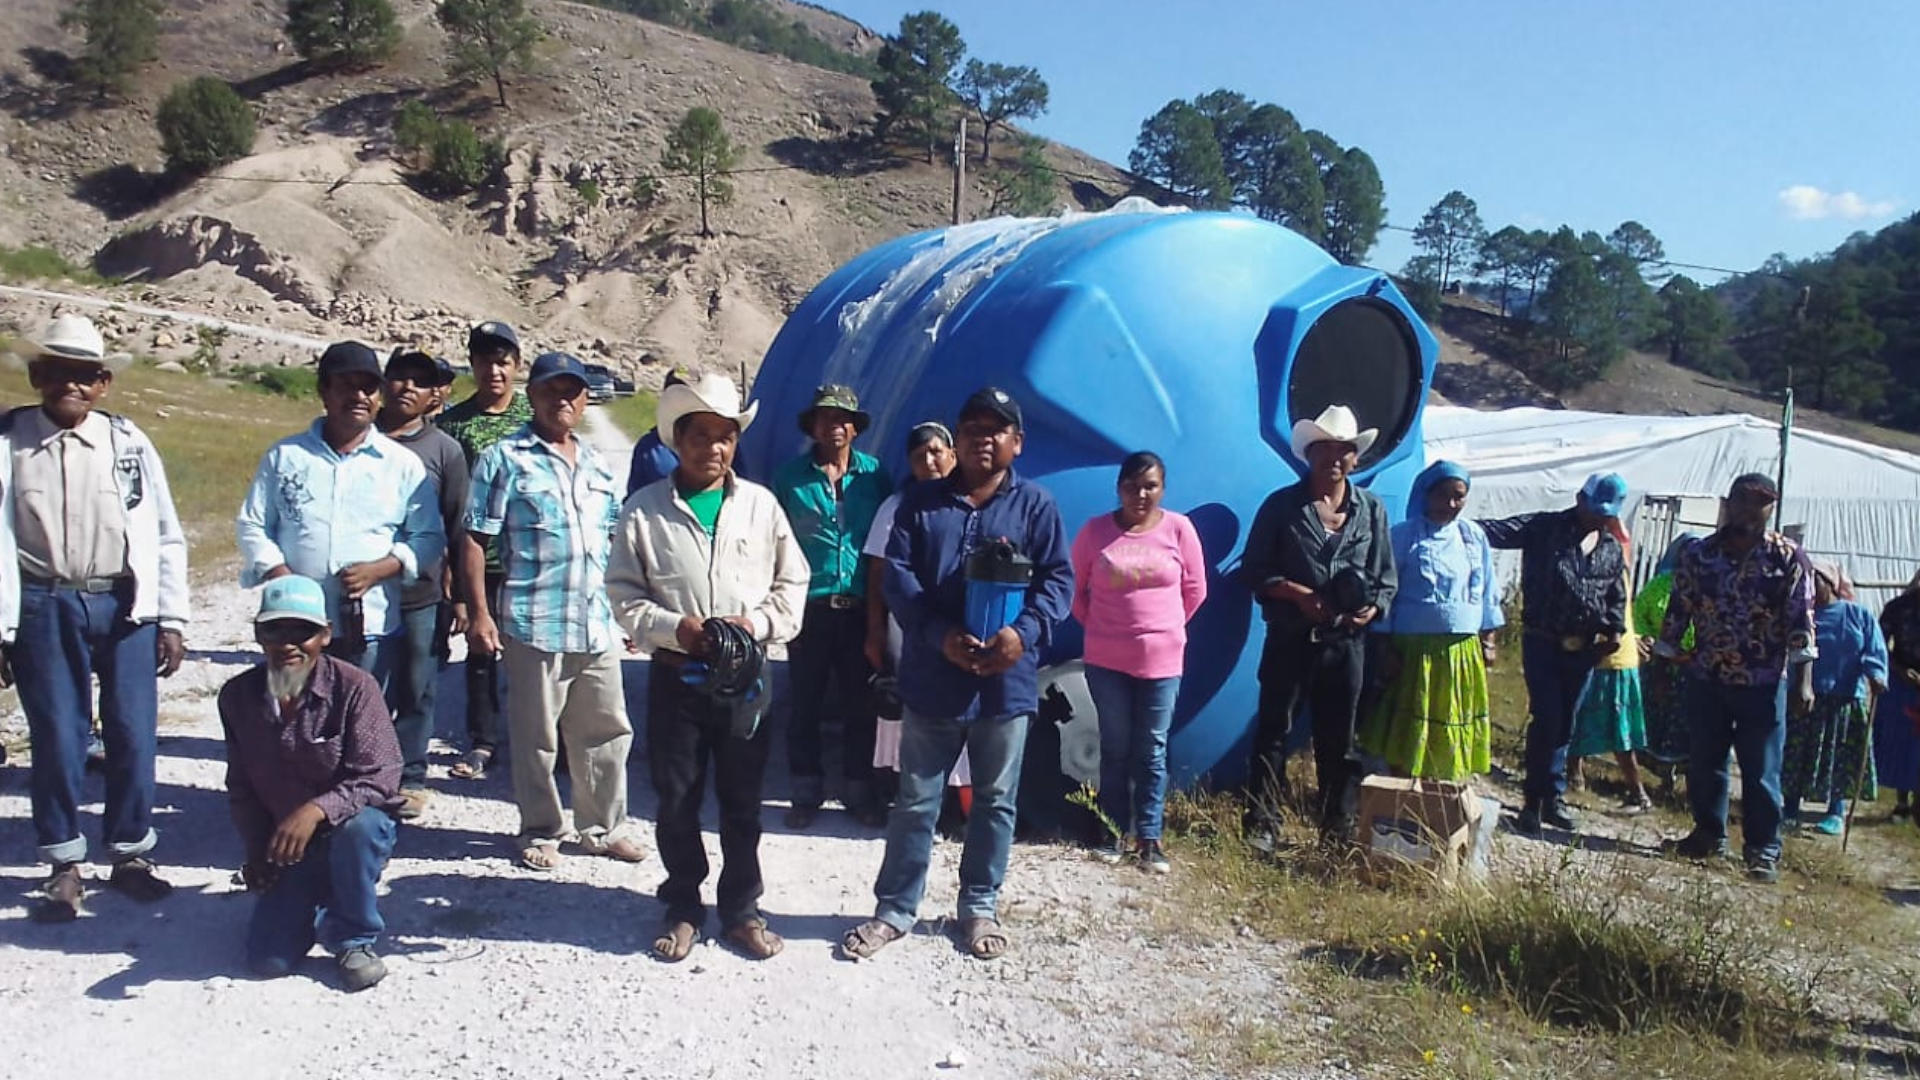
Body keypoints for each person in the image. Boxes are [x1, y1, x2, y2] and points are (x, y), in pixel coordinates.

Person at [840, 387, 1072, 962]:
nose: (982, 438)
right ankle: (895, 909)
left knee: (995, 801)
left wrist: (1022, 634)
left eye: (996, 429)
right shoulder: (919, 505)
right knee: (916, 799)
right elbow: (898, 579)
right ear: (958, 438)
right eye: (971, 428)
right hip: (934, 679)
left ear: (1017, 443)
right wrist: (937, 633)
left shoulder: (1036, 507)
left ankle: (979, 907)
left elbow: (1058, 582)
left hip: (1005, 683)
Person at [607, 372, 808, 962]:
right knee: (677, 799)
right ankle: (683, 905)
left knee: (742, 801)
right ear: (678, 439)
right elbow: (623, 593)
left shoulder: (761, 506)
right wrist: (678, 630)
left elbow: (792, 582)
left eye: (725, 436)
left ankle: (742, 909)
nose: (714, 447)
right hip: (678, 678)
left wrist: (757, 625)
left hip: (746, 682)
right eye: (701, 435)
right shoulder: (644, 511)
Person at [0, 314, 189, 920]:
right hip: (44, 601)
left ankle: (130, 852)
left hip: (124, 603)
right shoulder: (8, 441)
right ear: (37, 375)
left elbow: (164, 532)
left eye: (85, 375)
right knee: (59, 732)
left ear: (104, 382)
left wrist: (171, 616)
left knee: (132, 729)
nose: (71, 385)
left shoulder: (127, 442)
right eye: (58, 371)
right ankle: (63, 861)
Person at [461, 351, 646, 870]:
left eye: (572, 391)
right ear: (533, 396)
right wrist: (479, 612)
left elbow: (613, 544)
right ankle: (541, 829)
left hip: (595, 622)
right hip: (534, 622)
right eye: (550, 390)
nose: (562, 400)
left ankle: (602, 828)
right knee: (537, 737)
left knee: (607, 731)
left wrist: (626, 612)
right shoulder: (504, 458)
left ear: (586, 400)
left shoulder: (597, 463)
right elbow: (474, 539)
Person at [221, 575, 402, 992]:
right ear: (258, 635)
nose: (288, 644)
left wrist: (316, 810)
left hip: (347, 829)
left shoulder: (355, 687)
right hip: (289, 843)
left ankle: (354, 937)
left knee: (361, 829)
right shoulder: (237, 696)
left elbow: (382, 777)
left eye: (302, 631)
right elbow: (242, 786)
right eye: (275, 630)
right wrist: (256, 853)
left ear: (325, 635)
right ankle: (316, 898)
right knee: (268, 961)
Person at [237, 341, 444, 689]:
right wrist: (280, 574)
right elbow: (252, 524)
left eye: (369, 387)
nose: (359, 396)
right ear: (324, 391)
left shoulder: (401, 464)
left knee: (362, 714)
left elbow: (429, 536)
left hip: (369, 625)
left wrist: (381, 569)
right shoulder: (285, 456)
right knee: (293, 711)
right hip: (295, 627)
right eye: (347, 385)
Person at [1241, 404, 1397, 846]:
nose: (1334, 458)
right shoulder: (1281, 507)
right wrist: (1296, 594)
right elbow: (1254, 569)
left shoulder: (1371, 511)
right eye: (1324, 449)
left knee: (1339, 740)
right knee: (1274, 732)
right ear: (1309, 454)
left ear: (1355, 457)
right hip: (1290, 638)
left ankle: (1336, 829)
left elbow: (1386, 579)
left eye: (1343, 450)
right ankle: (1262, 823)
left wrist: (1372, 609)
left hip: (1346, 644)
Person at [1656, 473, 1816, 884]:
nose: (1749, 509)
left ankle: (1762, 850)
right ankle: (1709, 834)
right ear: (1728, 503)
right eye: (1742, 499)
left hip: (1762, 682)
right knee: (1705, 760)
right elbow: (1679, 609)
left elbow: (1801, 622)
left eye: (1760, 502)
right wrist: (1663, 663)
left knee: (1761, 770)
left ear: (1771, 509)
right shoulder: (1700, 554)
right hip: (1706, 675)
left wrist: (1803, 681)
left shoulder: (1788, 558)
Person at [1070, 451, 1206, 873]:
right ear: (1119, 488)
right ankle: (1111, 831)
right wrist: (1107, 628)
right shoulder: (1095, 532)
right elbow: (1075, 591)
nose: (1141, 494)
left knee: (1152, 750)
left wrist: (1162, 630)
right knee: (1114, 748)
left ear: (1162, 489)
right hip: (1106, 659)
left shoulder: (1179, 529)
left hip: (1162, 661)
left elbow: (1195, 589)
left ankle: (1149, 837)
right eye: (1132, 486)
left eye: (1150, 486)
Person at [771, 384, 894, 828]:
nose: (834, 426)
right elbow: (774, 541)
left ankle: (858, 790)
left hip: (860, 607)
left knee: (860, 702)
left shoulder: (874, 476)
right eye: (826, 418)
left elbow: (887, 538)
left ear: (855, 428)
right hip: (810, 605)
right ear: (813, 426)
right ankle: (806, 791)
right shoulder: (790, 478)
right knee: (805, 700)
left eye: (843, 419)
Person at [1480, 472, 1630, 835]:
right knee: (1547, 718)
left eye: (1605, 514)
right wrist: (1454, 522)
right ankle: (1532, 801)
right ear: (1580, 498)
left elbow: (1616, 594)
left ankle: (1553, 797)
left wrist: (1613, 632)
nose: (1597, 518)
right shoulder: (1545, 527)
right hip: (1543, 641)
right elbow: (1496, 531)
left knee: (1565, 723)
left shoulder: (1610, 547)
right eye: (1593, 510)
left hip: (1585, 649)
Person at [1360, 460, 1500, 784]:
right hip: (1414, 653)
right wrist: (1384, 646)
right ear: (1426, 494)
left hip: (1460, 652)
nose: (1450, 504)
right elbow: (1385, 592)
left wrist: (1489, 640)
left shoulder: (1472, 536)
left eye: (1458, 496)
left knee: (1448, 719)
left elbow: (1487, 591)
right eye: (1442, 495)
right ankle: (1401, 789)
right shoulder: (1403, 536)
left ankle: (1437, 790)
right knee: (1410, 723)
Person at [374, 349, 468, 820]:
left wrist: (461, 597)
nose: (407, 387)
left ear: (435, 395)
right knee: (363, 688)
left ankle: (410, 777)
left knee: (417, 687)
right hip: (360, 595)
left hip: (421, 593)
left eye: (420, 381)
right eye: (399, 377)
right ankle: (363, 773)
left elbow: (458, 526)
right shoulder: (356, 438)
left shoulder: (444, 451)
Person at [436, 321, 532, 781]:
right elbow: (443, 502)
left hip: (529, 560)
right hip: (477, 559)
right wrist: (450, 570)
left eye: (502, 362)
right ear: (471, 365)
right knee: (480, 652)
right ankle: (483, 740)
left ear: (517, 365)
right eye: (484, 362)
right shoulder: (451, 425)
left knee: (532, 654)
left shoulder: (535, 417)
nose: (494, 371)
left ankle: (539, 736)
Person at [864, 422, 971, 823]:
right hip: (907, 626)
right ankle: (897, 792)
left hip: (959, 627)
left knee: (960, 710)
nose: (929, 461)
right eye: (919, 455)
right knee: (905, 708)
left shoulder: (973, 503)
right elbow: (877, 573)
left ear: (953, 454)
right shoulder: (896, 507)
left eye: (936, 452)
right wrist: (875, 630)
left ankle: (956, 804)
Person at [1784, 561, 1886, 835]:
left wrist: (1876, 674)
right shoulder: (1801, 616)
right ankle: (1790, 808)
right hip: (1805, 696)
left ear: (1829, 583)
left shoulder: (1857, 615)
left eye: (1814, 580)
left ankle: (1835, 812)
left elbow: (1873, 649)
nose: (1808, 586)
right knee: (1797, 753)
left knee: (1839, 756)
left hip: (1844, 698)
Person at [1567, 563, 1652, 811]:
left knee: (1618, 731)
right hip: (1600, 655)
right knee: (1576, 717)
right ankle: (1573, 774)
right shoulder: (1600, 563)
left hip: (1611, 659)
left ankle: (1638, 793)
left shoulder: (1608, 566)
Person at [1634, 533, 1700, 788]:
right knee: (1658, 717)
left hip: (1693, 668)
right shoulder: (1660, 585)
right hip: (1659, 664)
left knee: (1688, 723)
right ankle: (1661, 773)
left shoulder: (1710, 587)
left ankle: (1689, 782)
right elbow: (1640, 614)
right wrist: (1646, 639)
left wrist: (1694, 652)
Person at [1873, 570, 1920, 818]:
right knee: (1903, 741)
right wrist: (1900, 671)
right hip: (1903, 683)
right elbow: (1878, 644)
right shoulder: (1898, 608)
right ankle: (1902, 802)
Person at [626, 369, 686, 496]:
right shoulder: (648, 446)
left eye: (685, 396)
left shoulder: (715, 444)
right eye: (673, 396)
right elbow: (634, 496)